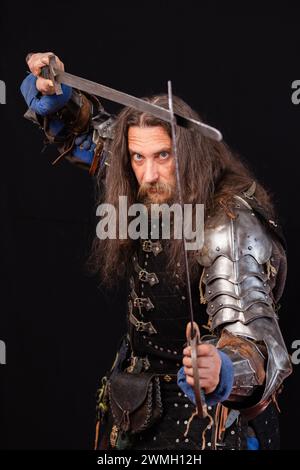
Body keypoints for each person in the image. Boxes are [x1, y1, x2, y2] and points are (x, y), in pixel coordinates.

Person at [20, 52, 292, 451]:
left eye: (163, 156)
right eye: (138, 157)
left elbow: (256, 343)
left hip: (210, 425)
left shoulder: (227, 225)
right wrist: (55, 91)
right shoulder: (141, 176)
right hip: (135, 406)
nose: (148, 175)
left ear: (189, 155)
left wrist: (224, 370)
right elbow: (79, 133)